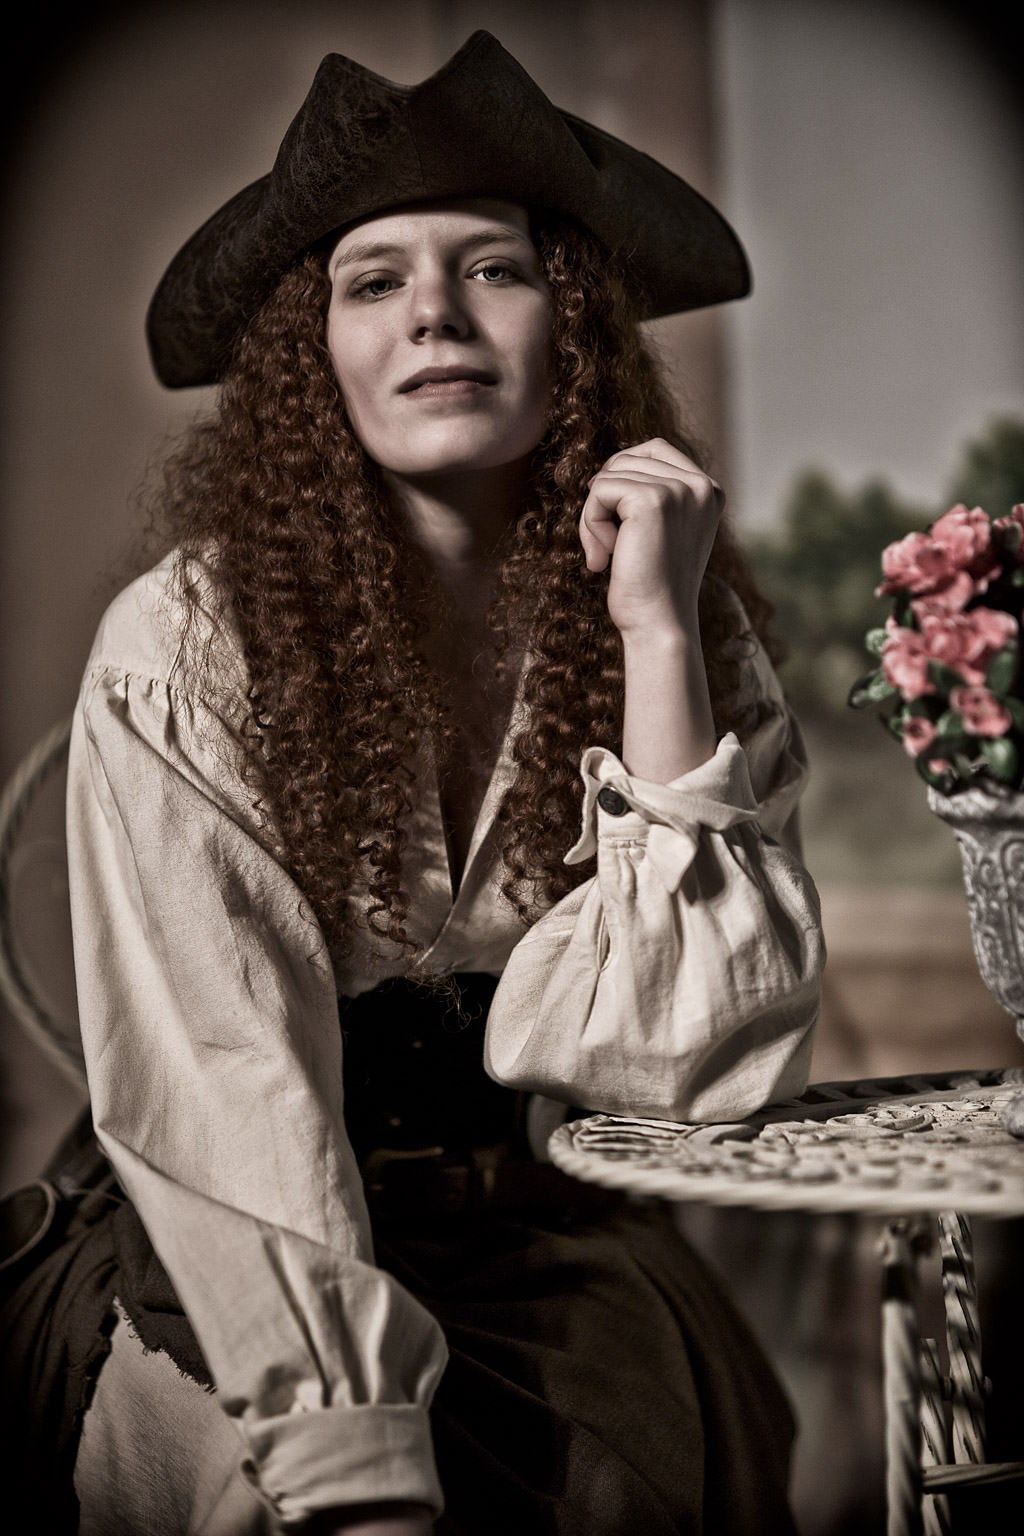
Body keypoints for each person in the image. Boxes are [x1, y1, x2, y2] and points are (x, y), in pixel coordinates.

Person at [10, 29, 824, 1536]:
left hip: (543, 1248)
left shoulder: (682, 626)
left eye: (494, 268)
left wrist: (656, 632)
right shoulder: (188, 646)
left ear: (576, 325)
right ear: (311, 356)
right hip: (239, 1258)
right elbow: (225, 1093)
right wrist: (351, 1456)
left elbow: (695, 1064)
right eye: (373, 281)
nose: (435, 313)